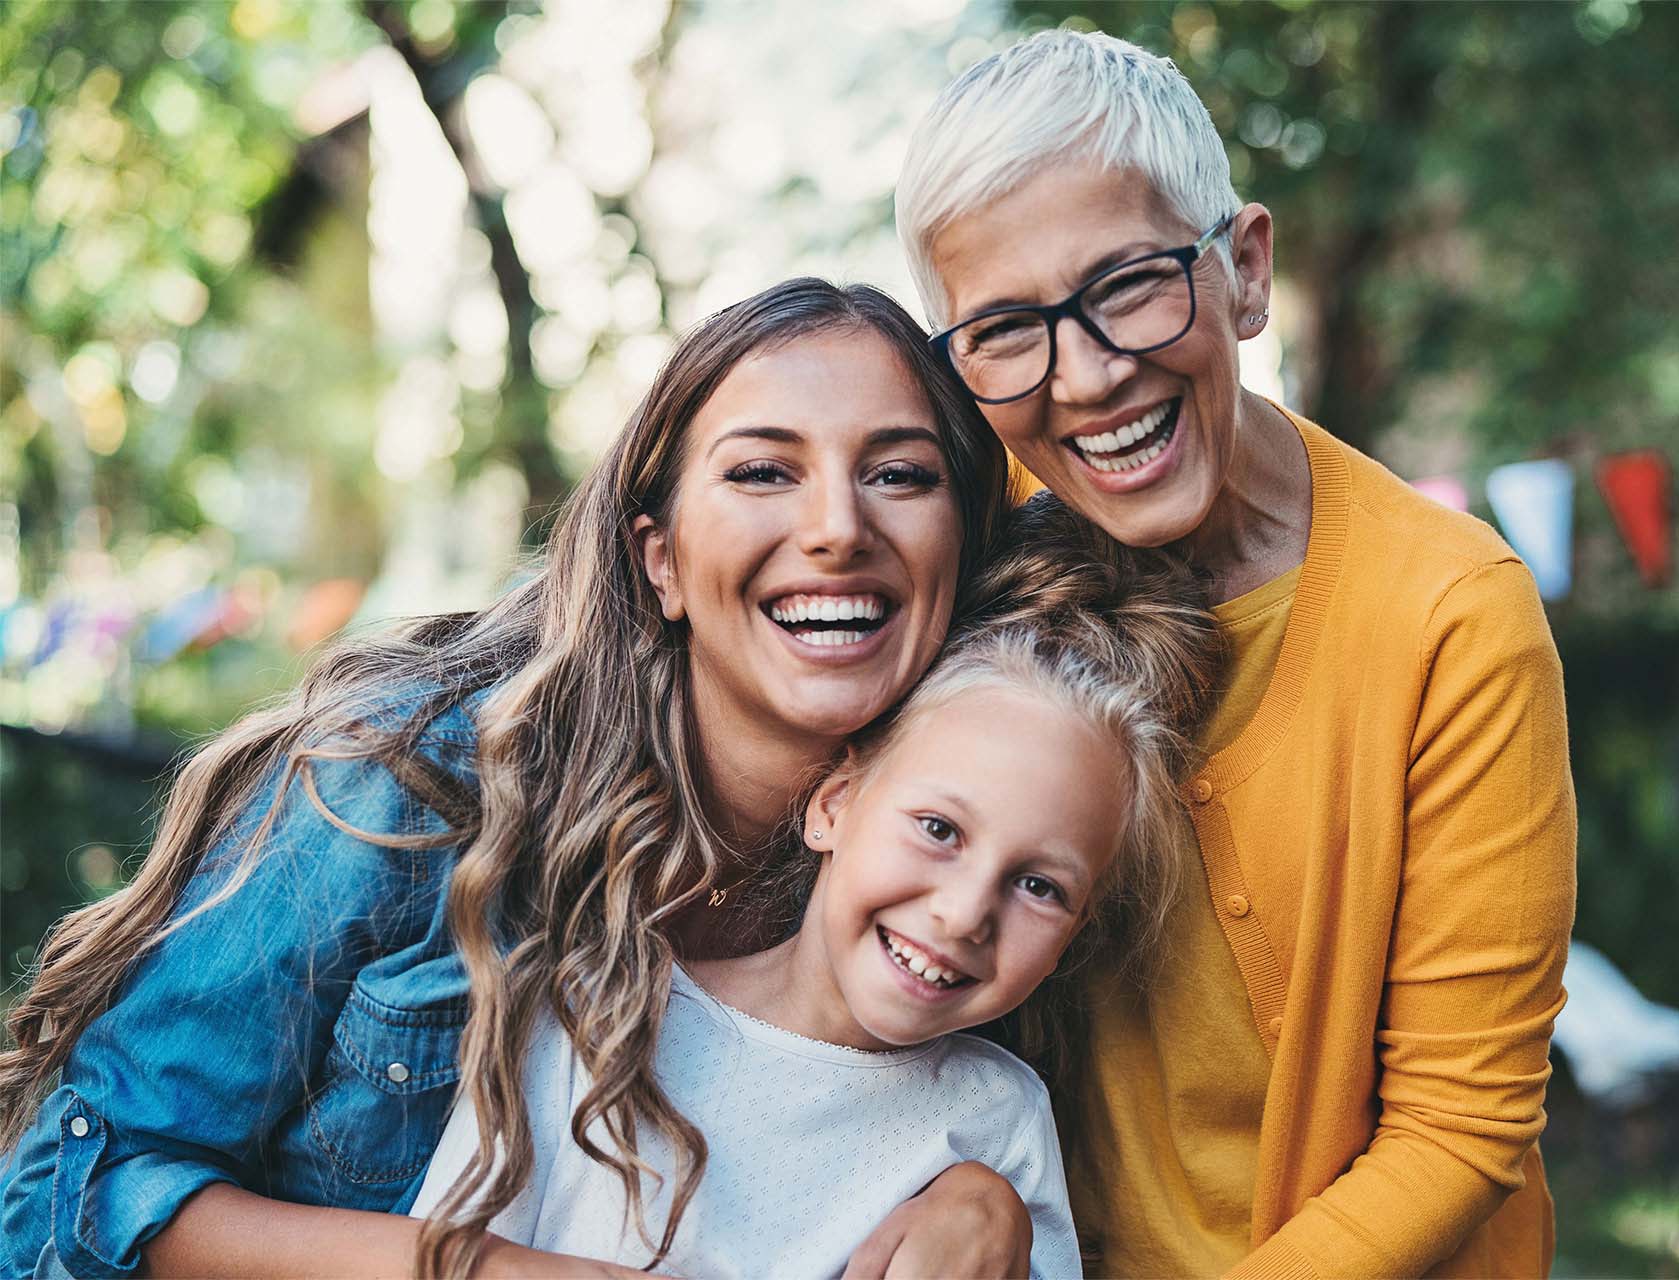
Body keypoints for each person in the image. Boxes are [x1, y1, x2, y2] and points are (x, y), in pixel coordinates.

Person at [0, 279, 1026, 1279]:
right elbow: (73, 1187)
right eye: (763, 472)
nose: (840, 527)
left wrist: (982, 1192)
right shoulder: (414, 781)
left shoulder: (969, 862)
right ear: (659, 559)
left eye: (900, 474)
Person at [895, 30, 1576, 1279]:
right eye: (1004, 329)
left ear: (1244, 271)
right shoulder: (960, 562)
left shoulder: (1448, 615)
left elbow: (1459, 1125)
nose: (1090, 377)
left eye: (1129, 285)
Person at [408, 495, 1218, 1280]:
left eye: (1040, 885)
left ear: (1076, 931)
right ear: (834, 805)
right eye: (938, 830)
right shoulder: (598, 1013)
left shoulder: (997, 1123)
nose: (966, 912)